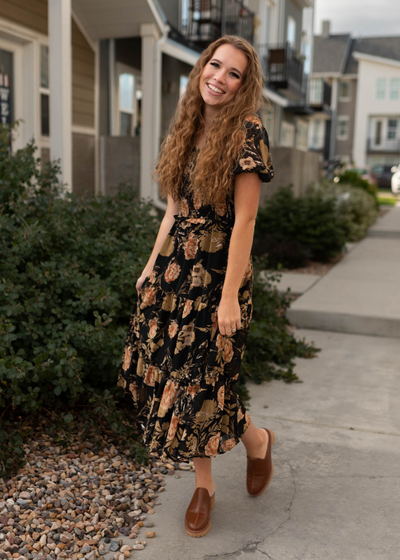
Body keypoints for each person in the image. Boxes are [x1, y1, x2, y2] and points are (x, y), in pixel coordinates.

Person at [117, 35, 275, 538]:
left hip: (218, 278)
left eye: (233, 73)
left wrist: (229, 297)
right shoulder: (186, 123)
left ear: (243, 85)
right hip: (173, 276)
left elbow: (245, 223)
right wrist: (149, 267)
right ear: (202, 67)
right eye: (215, 65)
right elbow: (174, 212)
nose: (220, 78)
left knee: (206, 384)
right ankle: (206, 484)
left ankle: (256, 441)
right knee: (173, 379)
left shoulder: (248, 132)